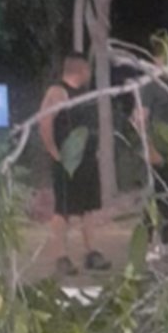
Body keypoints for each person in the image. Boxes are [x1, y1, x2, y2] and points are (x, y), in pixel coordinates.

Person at [39, 52, 111, 276]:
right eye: (87, 69)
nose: (89, 73)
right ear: (80, 70)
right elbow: (44, 123)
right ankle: (61, 257)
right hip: (67, 162)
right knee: (63, 210)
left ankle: (92, 253)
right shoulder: (57, 92)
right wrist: (54, 152)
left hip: (87, 161)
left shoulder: (85, 94)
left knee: (88, 208)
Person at [132, 76, 168, 261]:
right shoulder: (150, 86)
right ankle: (145, 246)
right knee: (153, 201)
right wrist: (149, 148)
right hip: (155, 153)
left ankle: (165, 245)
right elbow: (139, 119)